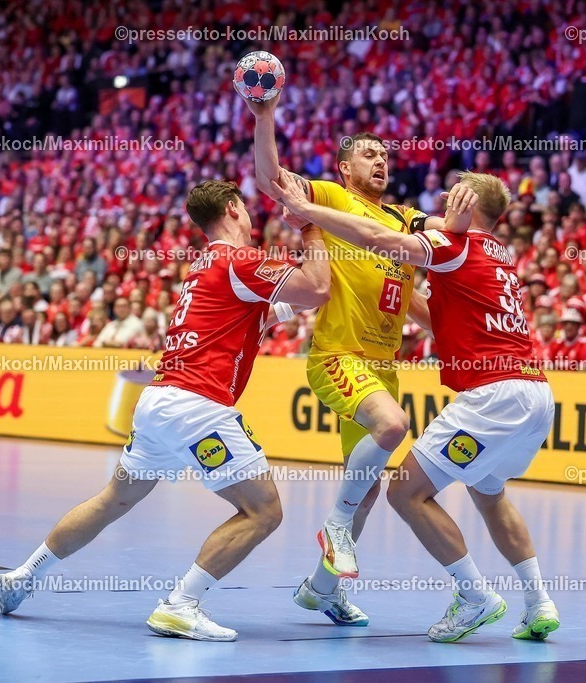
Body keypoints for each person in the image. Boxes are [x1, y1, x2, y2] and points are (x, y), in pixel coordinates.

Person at [0, 180, 330, 641]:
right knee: (264, 510)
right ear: (233, 209)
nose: (252, 218)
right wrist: (312, 226)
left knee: (113, 500)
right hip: (198, 405)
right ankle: (180, 605)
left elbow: (256, 316)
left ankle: (23, 575)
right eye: (247, 209)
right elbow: (317, 287)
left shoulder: (202, 266)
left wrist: (292, 307)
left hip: (157, 403)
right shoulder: (241, 260)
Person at [270, 170, 559, 642]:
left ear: (465, 202)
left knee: (405, 491)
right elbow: (432, 317)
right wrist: (381, 291)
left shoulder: (453, 244)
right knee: (490, 494)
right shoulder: (498, 255)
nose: (441, 203)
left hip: (492, 396)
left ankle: (474, 597)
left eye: (450, 197)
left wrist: (307, 215)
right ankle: (539, 602)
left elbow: (377, 238)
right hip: (535, 395)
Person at [248, 93, 439, 626]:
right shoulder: (332, 199)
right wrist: (265, 116)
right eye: (369, 155)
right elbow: (270, 178)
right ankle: (334, 527)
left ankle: (322, 589)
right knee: (394, 425)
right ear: (345, 167)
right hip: (338, 354)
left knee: (372, 483)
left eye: (385, 156)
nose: (381, 161)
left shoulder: (404, 220)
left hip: (383, 364)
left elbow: (416, 300)